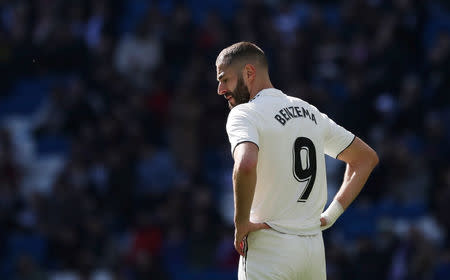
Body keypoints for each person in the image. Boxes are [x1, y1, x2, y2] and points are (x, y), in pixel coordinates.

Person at [215, 42, 379, 279]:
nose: (220, 89)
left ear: (249, 72)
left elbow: (246, 164)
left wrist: (241, 223)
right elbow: (365, 159)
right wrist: (330, 216)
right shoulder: (310, 112)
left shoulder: (244, 113)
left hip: (268, 246)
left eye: (224, 79)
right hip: (312, 248)